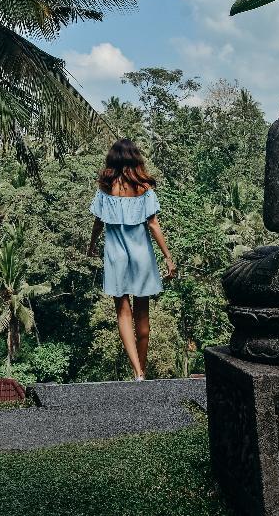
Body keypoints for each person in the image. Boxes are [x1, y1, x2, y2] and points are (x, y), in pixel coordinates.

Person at [87, 138, 176, 380]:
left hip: (116, 256)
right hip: (142, 256)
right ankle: (142, 371)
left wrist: (91, 246)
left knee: (123, 313)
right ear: (135, 158)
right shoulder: (144, 188)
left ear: (113, 159)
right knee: (143, 316)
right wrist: (168, 257)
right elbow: (154, 225)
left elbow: (98, 222)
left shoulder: (105, 188)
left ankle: (137, 371)